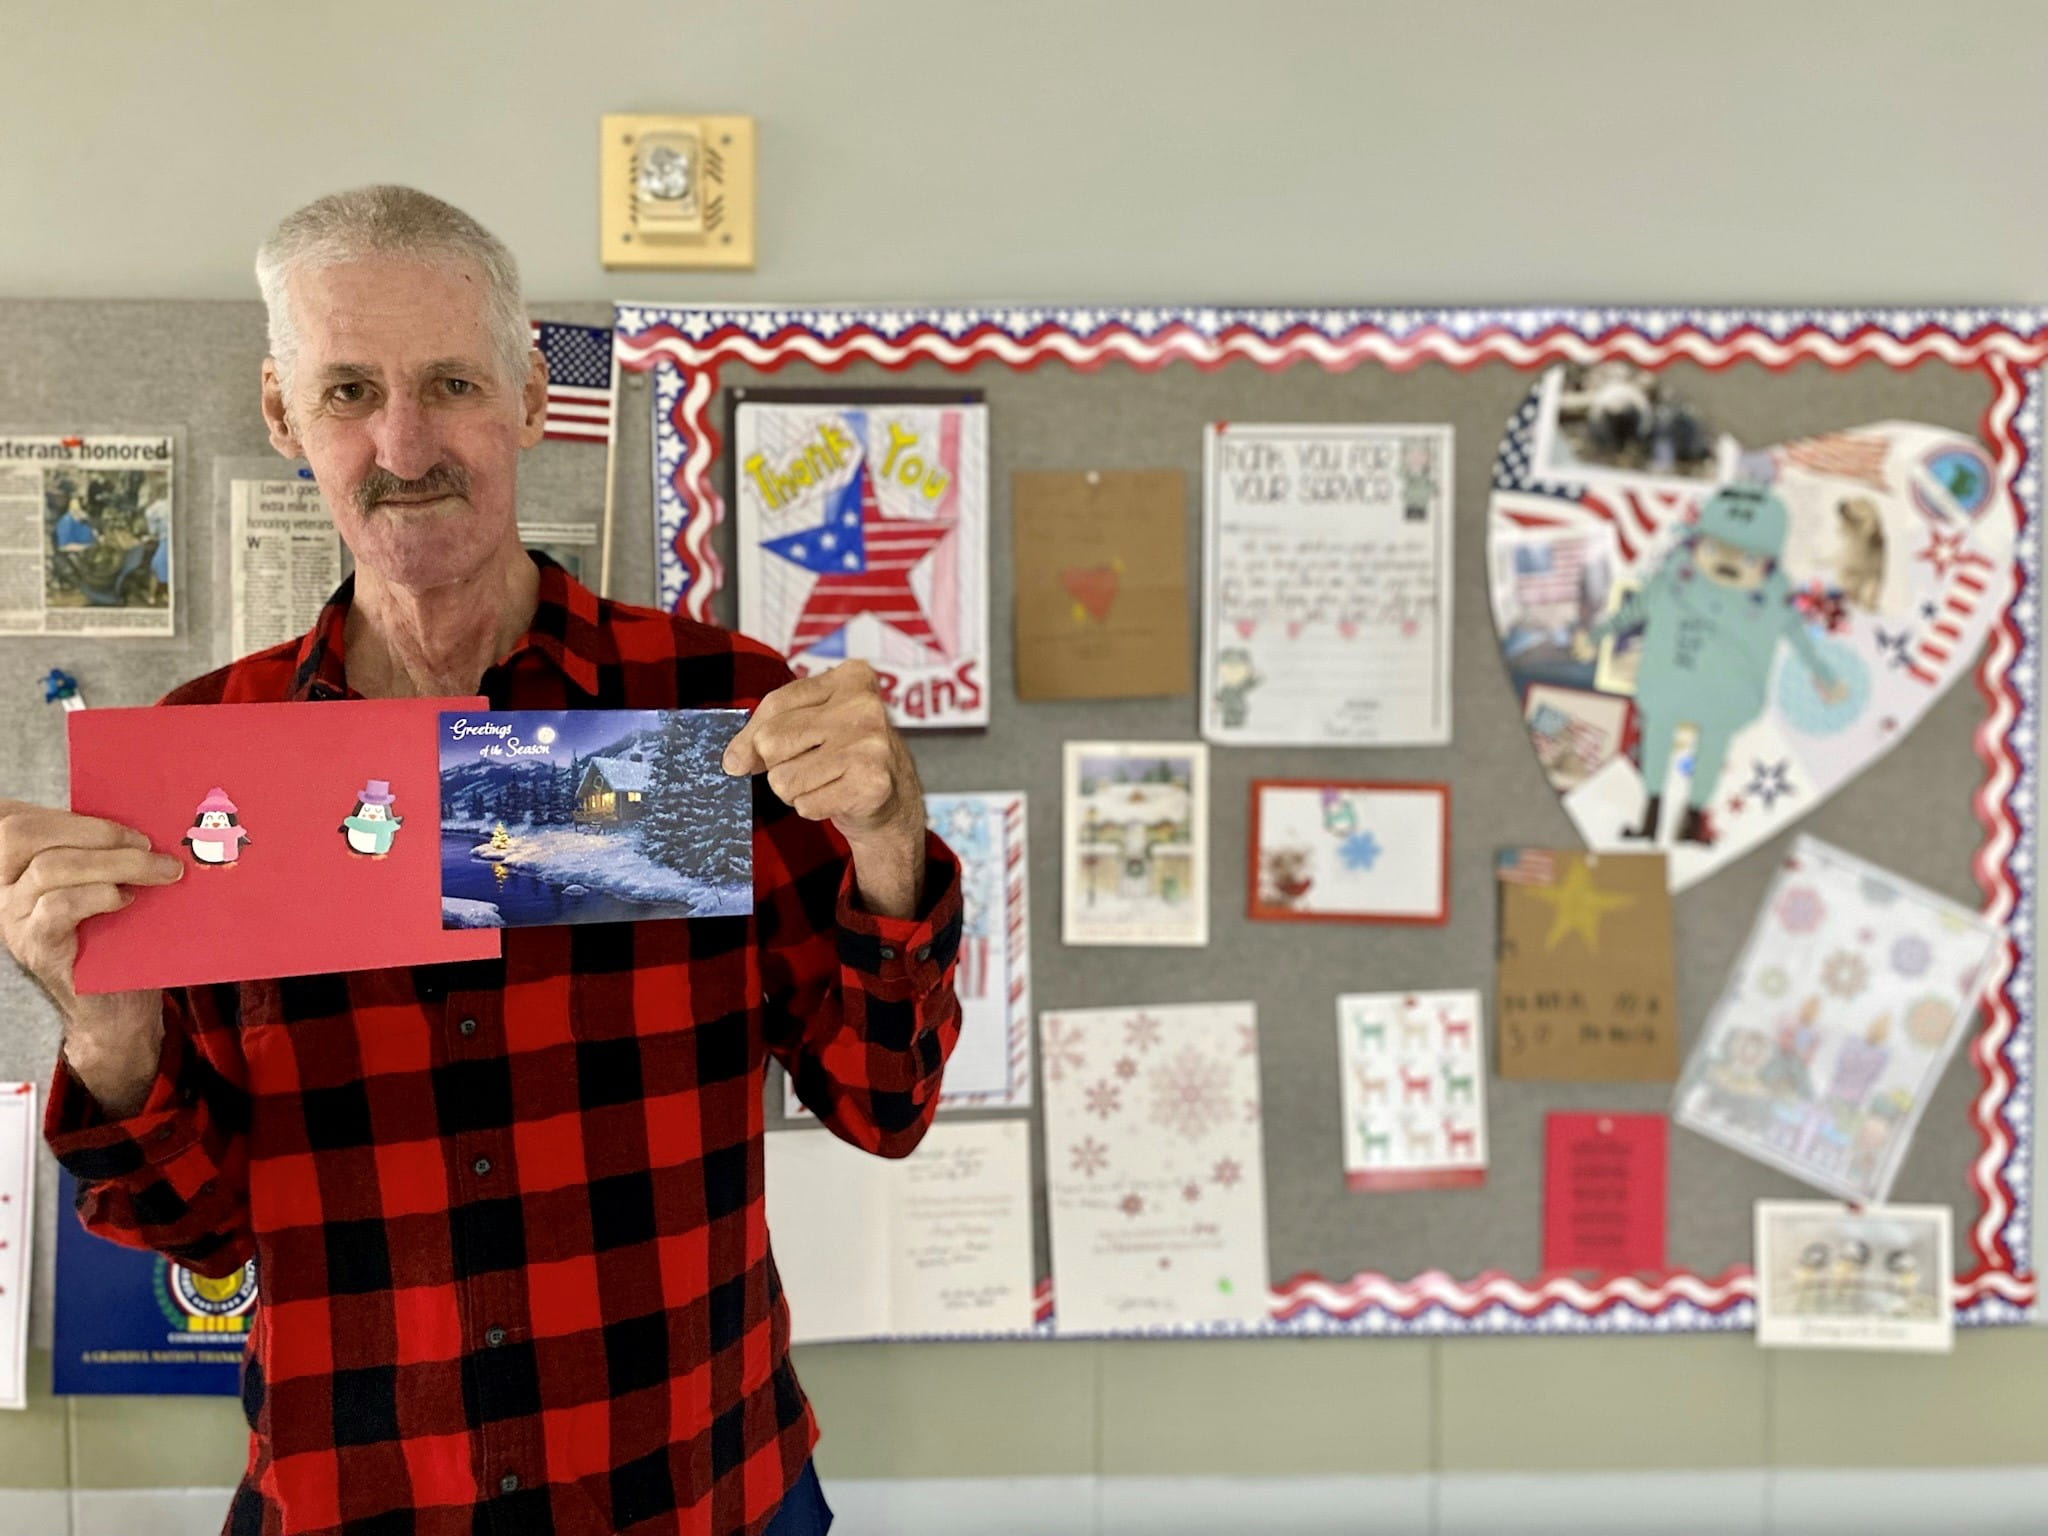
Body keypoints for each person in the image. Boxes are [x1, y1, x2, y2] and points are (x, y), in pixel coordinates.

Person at [4, 186, 963, 1536]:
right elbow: (200, 1230)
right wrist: (105, 1019)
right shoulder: (207, 764)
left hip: (699, 1493)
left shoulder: (711, 711)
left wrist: (888, 847)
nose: (406, 443)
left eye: (451, 383)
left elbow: (885, 1102)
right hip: (359, 1502)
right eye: (348, 391)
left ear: (527, 395)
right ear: (283, 416)